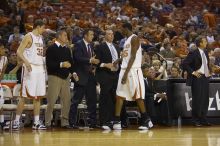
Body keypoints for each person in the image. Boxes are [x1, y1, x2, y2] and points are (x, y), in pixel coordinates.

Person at [113, 22, 153, 130]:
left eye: (122, 29)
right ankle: (117, 120)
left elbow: (133, 56)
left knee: (138, 96)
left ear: (126, 28)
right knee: (120, 95)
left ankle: (146, 120)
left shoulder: (134, 38)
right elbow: (127, 56)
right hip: (124, 70)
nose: (121, 31)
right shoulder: (126, 40)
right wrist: (119, 60)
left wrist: (126, 74)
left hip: (133, 71)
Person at [11, 19, 47, 130]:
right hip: (30, 68)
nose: (44, 29)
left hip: (39, 69)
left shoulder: (41, 38)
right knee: (24, 96)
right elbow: (18, 51)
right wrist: (26, 62)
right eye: (43, 27)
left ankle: (36, 122)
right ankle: (16, 121)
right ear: (38, 27)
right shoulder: (28, 36)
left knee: (38, 97)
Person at [45, 29, 78, 129]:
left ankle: (65, 122)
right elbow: (49, 65)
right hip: (54, 77)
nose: (66, 37)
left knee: (67, 101)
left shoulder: (67, 49)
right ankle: (47, 122)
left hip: (65, 78)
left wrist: (74, 73)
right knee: (51, 101)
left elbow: (71, 63)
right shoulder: (51, 48)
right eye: (64, 35)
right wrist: (61, 64)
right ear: (59, 36)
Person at [69, 29, 100, 128]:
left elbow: (90, 61)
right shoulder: (78, 44)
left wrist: (93, 67)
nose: (92, 36)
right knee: (76, 101)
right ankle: (72, 122)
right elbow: (77, 58)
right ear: (85, 36)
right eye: (91, 34)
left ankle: (93, 122)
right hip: (81, 77)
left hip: (90, 77)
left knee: (92, 101)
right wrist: (90, 60)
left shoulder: (91, 45)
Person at [182, 36, 211, 127]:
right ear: (200, 43)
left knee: (205, 99)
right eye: (205, 41)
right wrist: (193, 72)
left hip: (205, 77)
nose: (206, 42)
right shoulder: (193, 53)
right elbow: (184, 63)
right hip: (197, 78)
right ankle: (195, 120)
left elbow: (205, 64)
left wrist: (209, 71)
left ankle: (203, 118)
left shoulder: (205, 52)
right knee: (197, 99)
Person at [95, 29, 121, 130]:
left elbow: (118, 61)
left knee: (115, 99)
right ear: (105, 36)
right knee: (104, 99)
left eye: (112, 34)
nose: (111, 36)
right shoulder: (100, 47)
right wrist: (105, 65)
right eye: (109, 34)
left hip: (116, 75)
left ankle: (114, 120)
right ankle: (104, 122)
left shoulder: (117, 47)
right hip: (105, 75)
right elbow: (96, 62)